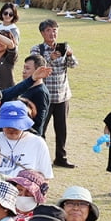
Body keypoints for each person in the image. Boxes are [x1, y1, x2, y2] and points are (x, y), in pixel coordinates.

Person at [29, 19, 77, 170]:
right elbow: (35, 69)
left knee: (61, 129)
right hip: (44, 97)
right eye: (49, 30)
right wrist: (51, 59)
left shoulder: (64, 48)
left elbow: (74, 65)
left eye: (55, 30)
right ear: (42, 33)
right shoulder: (37, 49)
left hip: (62, 96)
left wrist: (69, 55)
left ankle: (61, 158)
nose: (52, 33)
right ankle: (39, 157)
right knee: (40, 128)